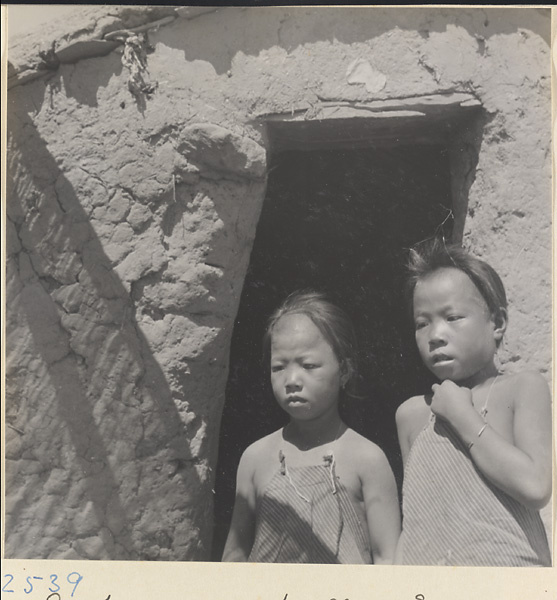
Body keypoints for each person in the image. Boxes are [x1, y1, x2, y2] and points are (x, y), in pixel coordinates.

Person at [395, 239, 552, 566]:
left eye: (452, 317)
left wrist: (461, 415)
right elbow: (417, 518)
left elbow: (536, 487)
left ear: (497, 323)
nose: (435, 334)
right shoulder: (411, 415)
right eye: (422, 323)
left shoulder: (521, 388)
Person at [222, 290, 400, 564]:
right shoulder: (255, 458)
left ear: (344, 371)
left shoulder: (367, 458)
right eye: (279, 367)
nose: (292, 379)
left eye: (308, 365)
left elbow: (388, 559)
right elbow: (235, 556)